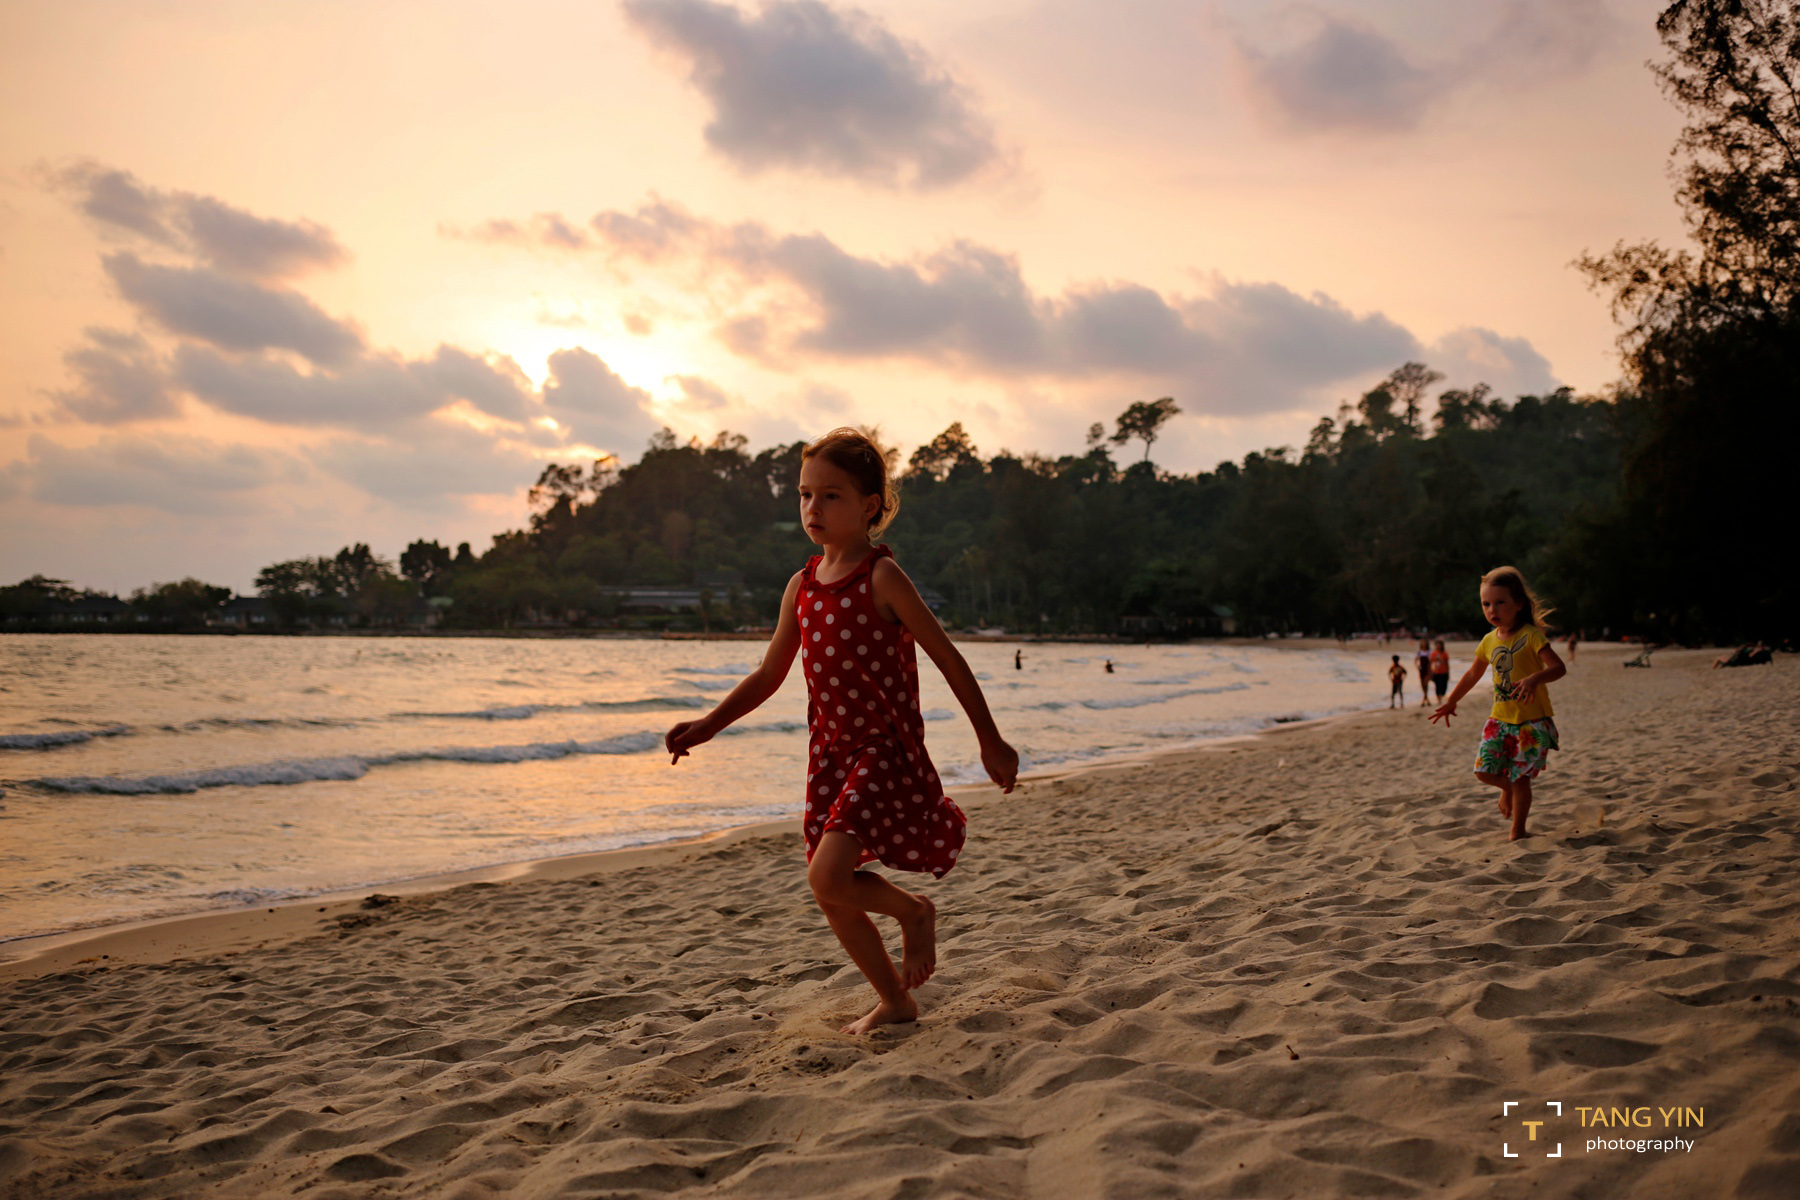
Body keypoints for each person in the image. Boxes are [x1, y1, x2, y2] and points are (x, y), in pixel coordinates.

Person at [665, 427, 1019, 1035]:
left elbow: (948, 657)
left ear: (869, 506)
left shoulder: (882, 578)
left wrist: (989, 739)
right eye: (805, 495)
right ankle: (896, 1001)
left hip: (884, 752)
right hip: (829, 757)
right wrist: (708, 725)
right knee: (832, 892)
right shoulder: (801, 588)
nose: (813, 509)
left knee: (826, 876)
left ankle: (913, 913)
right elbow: (770, 673)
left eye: (830, 496)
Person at [1430, 566, 1567, 841]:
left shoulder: (1531, 636)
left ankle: (1518, 831)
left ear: (1518, 604)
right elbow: (1472, 674)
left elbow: (1559, 668)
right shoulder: (1488, 641)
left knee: (1521, 779)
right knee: (1484, 772)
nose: (1492, 609)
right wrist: (1451, 701)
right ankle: (1507, 789)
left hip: (1531, 722)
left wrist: (1534, 679)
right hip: (1499, 719)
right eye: (1486, 604)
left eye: (1500, 602)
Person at [1415, 637, 1433, 707]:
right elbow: (1416, 660)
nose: (1424, 644)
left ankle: (1424, 699)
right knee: (1422, 684)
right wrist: (1417, 667)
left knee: (1426, 684)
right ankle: (1426, 699)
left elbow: (1431, 661)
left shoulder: (1429, 651)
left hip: (1427, 669)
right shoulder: (1419, 651)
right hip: (1422, 669)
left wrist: (1431, 670)